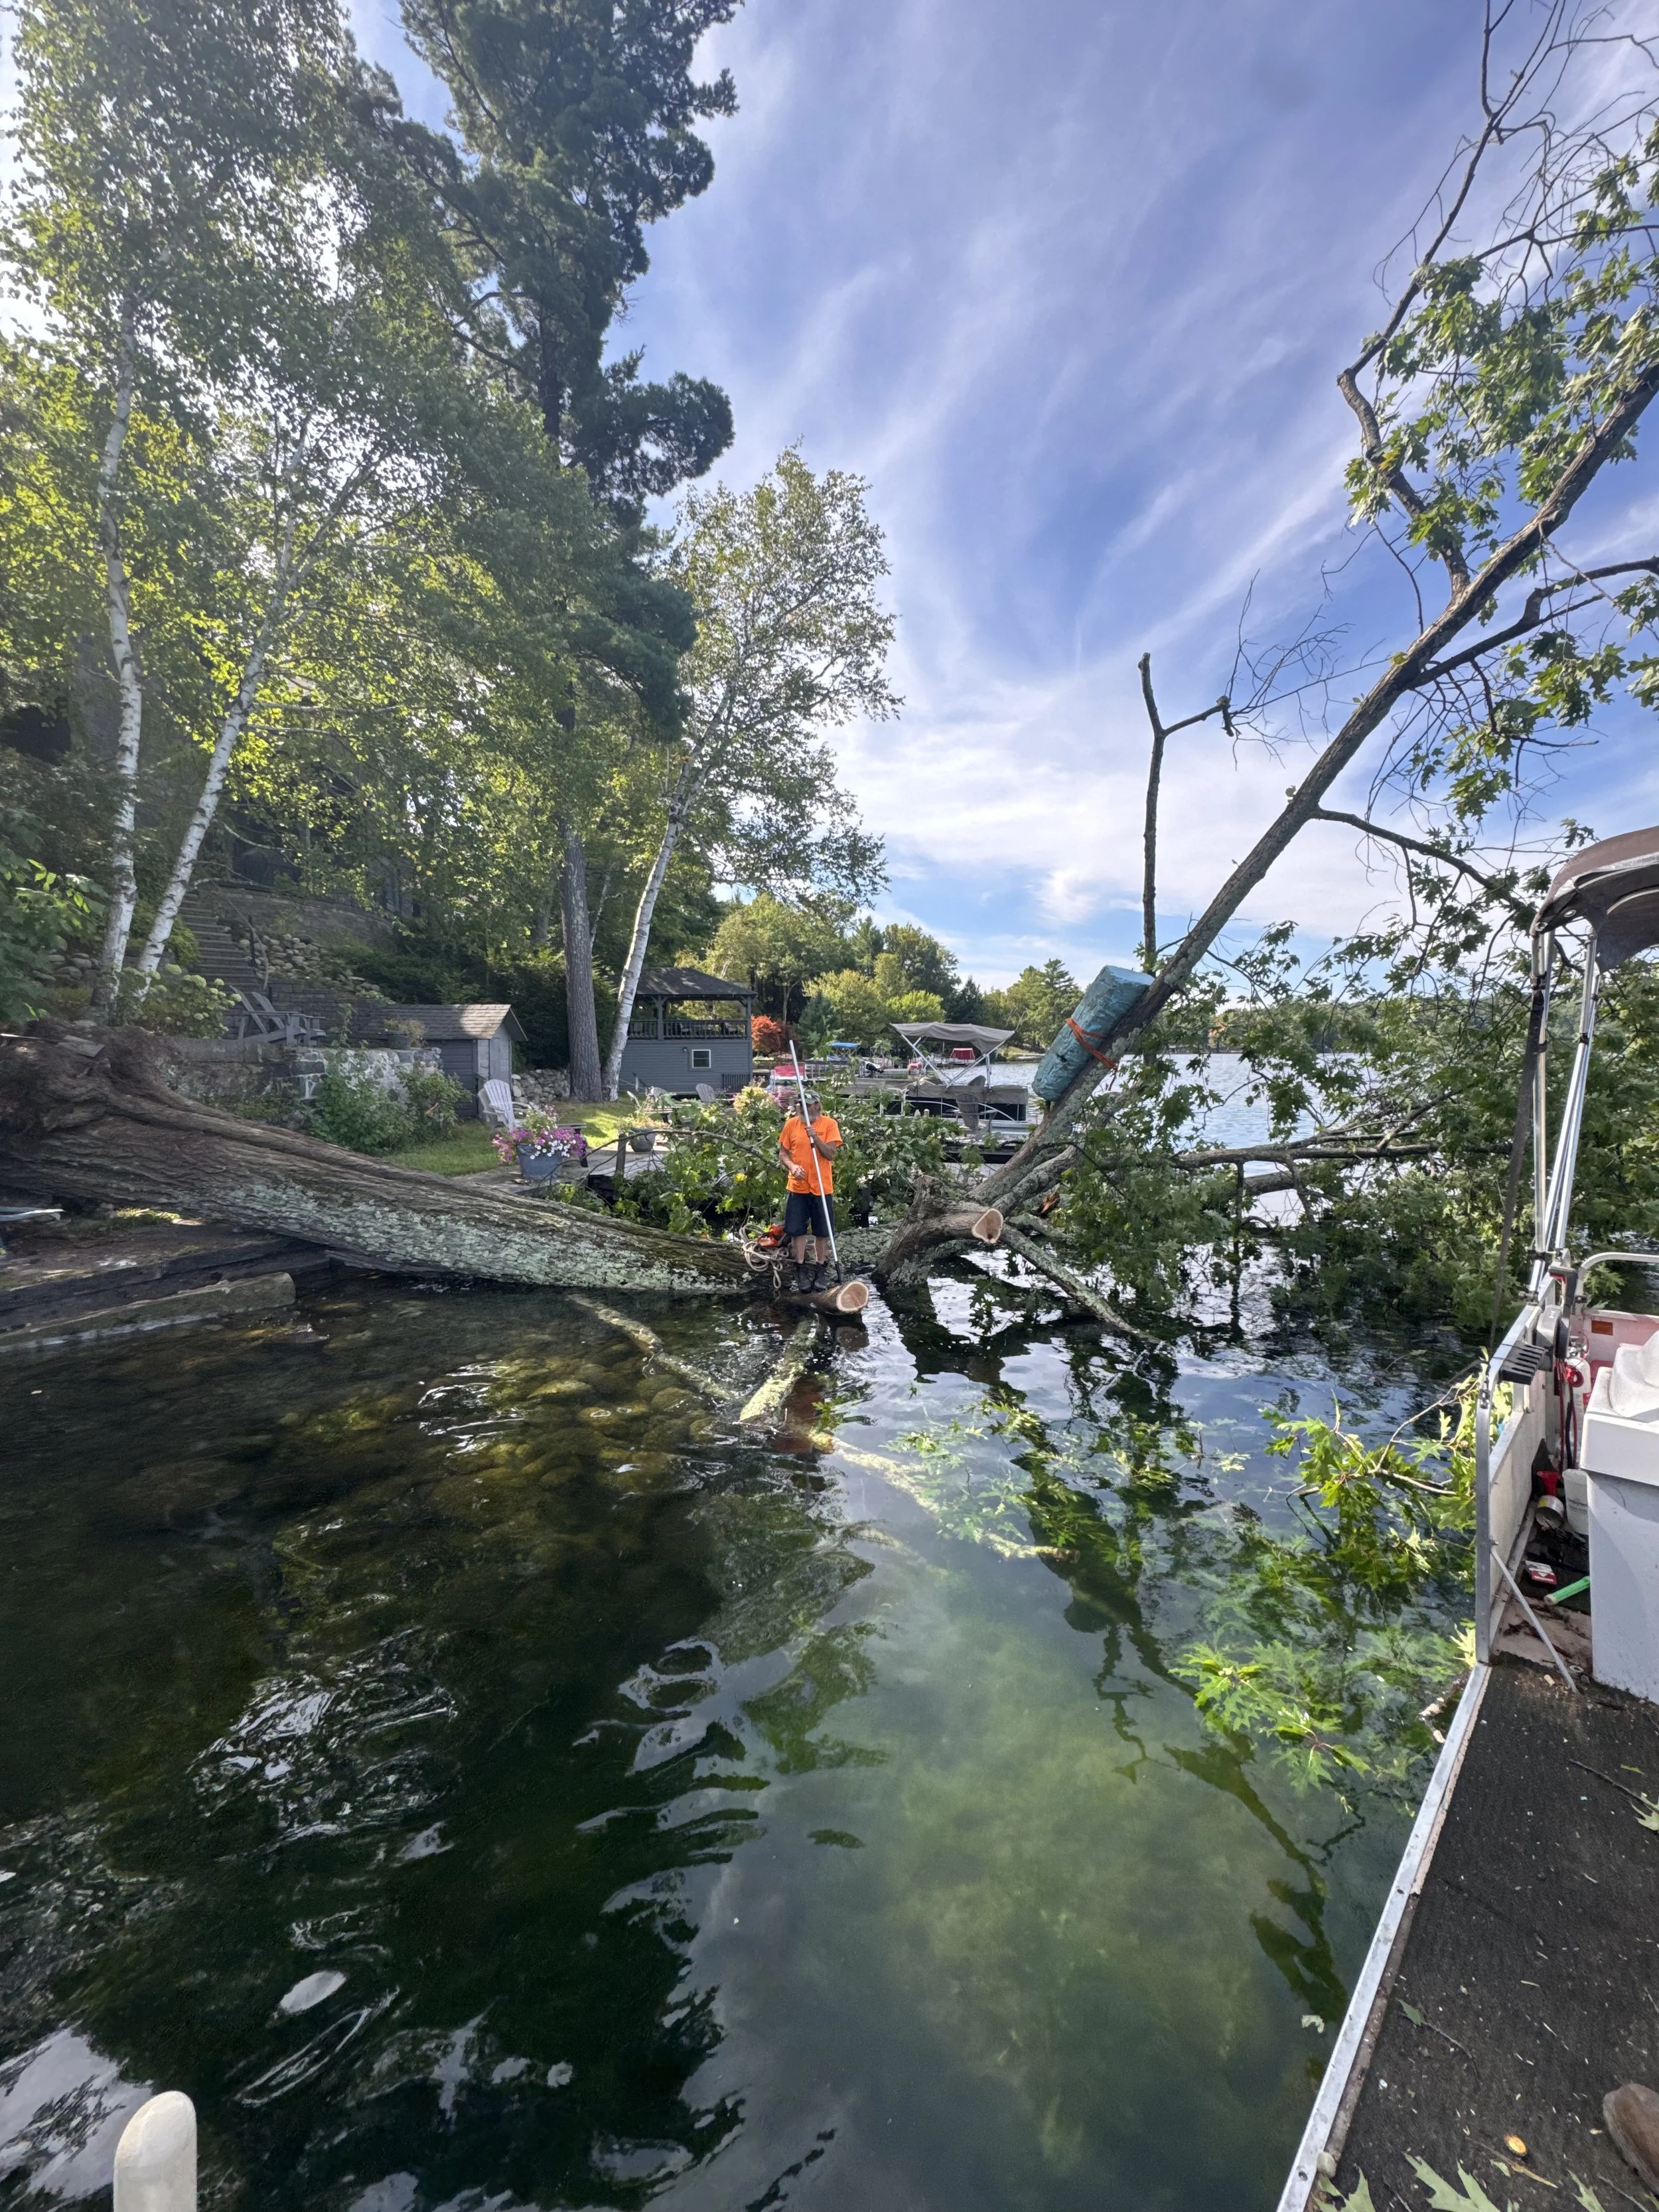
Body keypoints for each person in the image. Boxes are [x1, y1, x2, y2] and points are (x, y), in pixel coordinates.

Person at [777, 1089, 841, 1292]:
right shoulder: (791, 1125)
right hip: (798, 1187)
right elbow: (783, 1153)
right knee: (797, 1230)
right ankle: (800, 1267)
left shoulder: (829, 1124)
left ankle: (821, 1267)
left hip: (822, 1187)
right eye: (799, 1104)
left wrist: (816, 1139)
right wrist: (792, 1167)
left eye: (807, 1104)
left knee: (822, 1231)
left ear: (817, 1105)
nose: (802, 1108)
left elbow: (831, 1155)